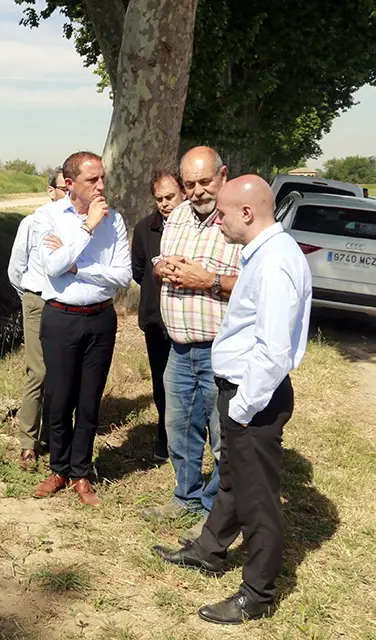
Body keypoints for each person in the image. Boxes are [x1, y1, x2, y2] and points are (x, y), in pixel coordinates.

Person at [152, 175, 312, 625]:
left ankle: (257, 593)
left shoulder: (275, 262)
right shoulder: (262, 253)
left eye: (222, 212)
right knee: (231, 482)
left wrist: (242, 408)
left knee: (258, 499)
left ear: (246, 213)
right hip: (241, 390)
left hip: (253, 395)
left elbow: (274, 349)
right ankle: (209, 549)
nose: (215, 219)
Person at [141, 147, 241, 542]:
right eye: (190, 184)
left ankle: (215, 509)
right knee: (179, 428)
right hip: (179, 349)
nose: (198, 191)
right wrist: (159, 267)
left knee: (223, 437)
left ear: (223, 175)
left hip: (221, 350)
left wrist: (210, 281)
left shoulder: (238, 217)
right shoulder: (179, 215)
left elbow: (256, 286)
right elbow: (161, 260)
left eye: (205, 182)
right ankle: (184, 496)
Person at [31, 152, 132, 506]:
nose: (102, 186)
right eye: (93, 180)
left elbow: (122, 276)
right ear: (69, 184)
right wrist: (87, 227)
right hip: (61, 318)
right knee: (60, 399)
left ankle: (81, 472)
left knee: (89, 401)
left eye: (103, 178)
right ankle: (58, 468)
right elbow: (54, 265)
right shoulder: (47, 217)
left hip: (101, 318)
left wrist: (80, 269)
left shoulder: (115, 220)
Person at [7, 171, 67, 470]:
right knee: (38, 373)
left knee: (63, 374)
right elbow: (15, 269)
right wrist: (30, 299)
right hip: (37, 302)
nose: (68, 194)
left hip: (67, 305)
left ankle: (54, 438)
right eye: (62, 188)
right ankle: (28, 444)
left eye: (72, 188)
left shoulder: (79, 225)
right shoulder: (31, 224)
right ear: (50, 191)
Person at [131, 170, 184, 462]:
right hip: (156, 320)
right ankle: (164, 437)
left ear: (183, 194)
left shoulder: (197, 229)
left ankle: (193, 437)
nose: (164, 204)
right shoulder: (144, 229)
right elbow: (138, 272)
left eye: (170, 197)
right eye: (159, 199)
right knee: (162, 381)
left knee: (193, 384)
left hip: (191, 321)